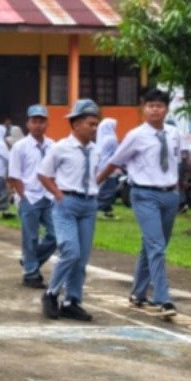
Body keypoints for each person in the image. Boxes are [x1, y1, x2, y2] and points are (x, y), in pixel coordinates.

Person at [96, 89, 180, 319]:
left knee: (151, 245)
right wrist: (94, 186)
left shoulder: (173, 133)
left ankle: (138, 293)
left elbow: (180, 161)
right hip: (144, 194)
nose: (155, 109)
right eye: (150, 105)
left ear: (166, 109)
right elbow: (114, 162)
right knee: (157, 246)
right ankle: (163, 298)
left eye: (160, 106)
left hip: (170, 195)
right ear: (143, 109)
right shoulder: (136, 135)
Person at [37, 99, 101, 322]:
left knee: (81, 258)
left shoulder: (95, 150)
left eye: (96, 124)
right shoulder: (61, 147)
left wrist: (94, 190)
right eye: (90, 124)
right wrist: (57, 194)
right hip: (67, 203)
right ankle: (51, 293)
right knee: (70, 251)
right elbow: (43, 174)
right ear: (76, 124)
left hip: (89, 204)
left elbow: (96, 174)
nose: (94, 128)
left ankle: (72, 301)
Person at [8, 105, 57, 289]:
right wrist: (24, 197)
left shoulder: (53, 146)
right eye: (34, 121)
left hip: (48, 196)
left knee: (57, 234)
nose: (38, 125)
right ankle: (31, 273)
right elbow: (15, 175)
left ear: (47, 123)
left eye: (41, 121)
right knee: (30, 236)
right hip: (29, 195)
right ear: (28, 124)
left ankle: (31, 260)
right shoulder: (20, 147)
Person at [95, 118, 121, 219]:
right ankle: (102, 210)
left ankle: (107, 210)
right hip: (109, 168)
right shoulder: (111, 138)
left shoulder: (102, 138)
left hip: (101, 166)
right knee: (108, 190)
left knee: (103, 189)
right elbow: (116, 154)